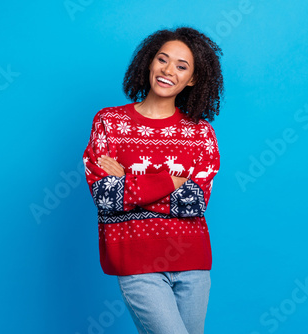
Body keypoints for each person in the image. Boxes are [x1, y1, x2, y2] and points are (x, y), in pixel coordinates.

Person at [82, 26, 224, 334]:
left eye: (181, 66)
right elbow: (106, 198)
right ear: (149, 62)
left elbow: (194, 204)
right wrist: (169, 182)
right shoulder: (109, 123)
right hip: (137, 262)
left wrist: (128, 184)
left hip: (193, 262)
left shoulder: (200, 134)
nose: (168, 70)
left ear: (193, 79)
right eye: (163, 59)